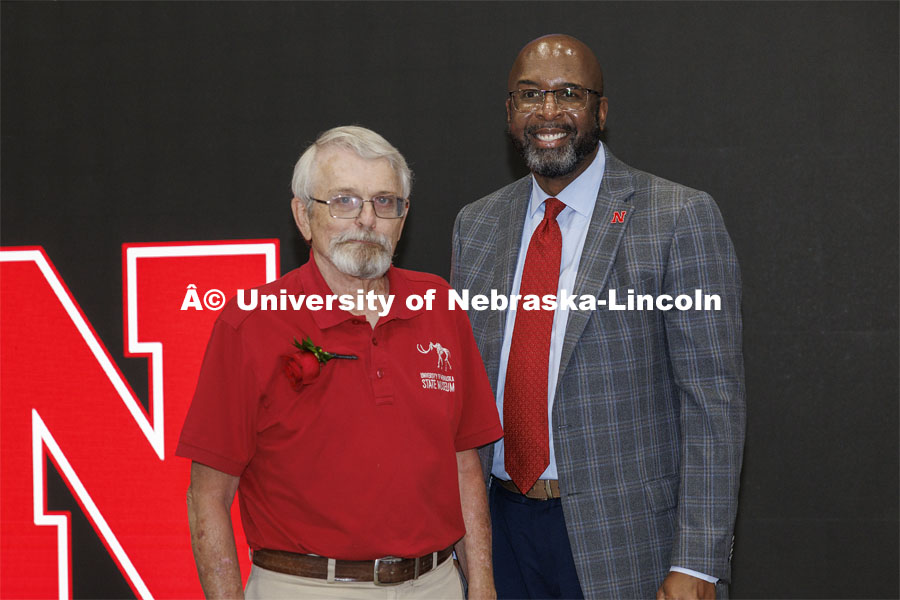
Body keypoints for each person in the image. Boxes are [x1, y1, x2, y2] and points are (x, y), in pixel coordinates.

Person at [451, 35, 745, 599]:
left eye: (569, 94)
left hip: (627, 543)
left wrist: (700, 563)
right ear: (510, 113)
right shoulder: (477, 225)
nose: (550, 112)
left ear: (601, 112)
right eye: (530, 95)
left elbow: (713, 405)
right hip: (498, 533)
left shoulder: (678, 218)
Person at [178, 125, 503, 599]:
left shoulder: (439, 305)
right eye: (345, 201)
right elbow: (207, 496)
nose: (367, 220)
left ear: (403, 217)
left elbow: (464, 463)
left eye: (384, 202)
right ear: (303, 215)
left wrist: (483, 587)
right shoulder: (249, 323)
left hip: (437, 585)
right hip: (306, 587)